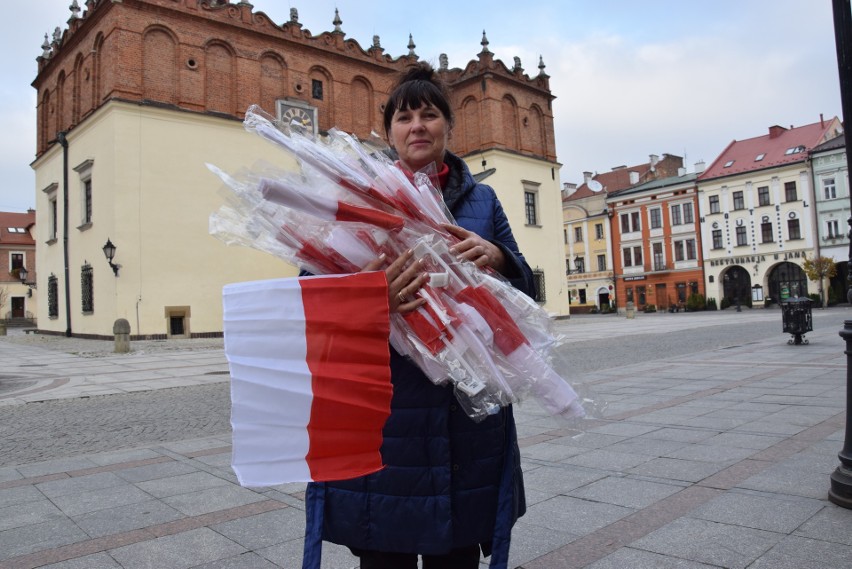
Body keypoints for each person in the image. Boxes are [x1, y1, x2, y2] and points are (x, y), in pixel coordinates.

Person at [302, 62, 535, 569]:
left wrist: (497, 257)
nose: (418, 126)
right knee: (387, 550)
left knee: (457, 553)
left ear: (449, 126)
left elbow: (528, 290)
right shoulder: (358, 196)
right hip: (391, 413)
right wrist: (373, 296)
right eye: (404, 117)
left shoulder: (482, 200)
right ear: (389, 132)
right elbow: (310, 295)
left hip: (467, 418)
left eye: (429, 115)